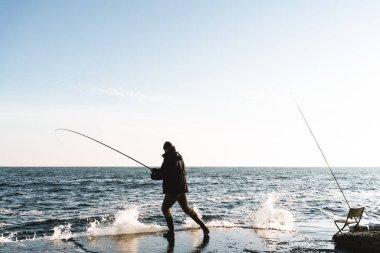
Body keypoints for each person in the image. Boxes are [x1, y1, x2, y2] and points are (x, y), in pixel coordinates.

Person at [159, 141, 209, 240]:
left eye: (164, 149)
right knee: (186, 209)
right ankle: (204, 227)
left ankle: (171, 233)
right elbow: (172, 171)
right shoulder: (179, 157)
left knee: (165, 209)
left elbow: (163, 174)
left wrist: (154, 175)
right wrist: (158, 171)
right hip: (182, 188)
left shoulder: (168, 158)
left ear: (166, 149)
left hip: (173, 190)